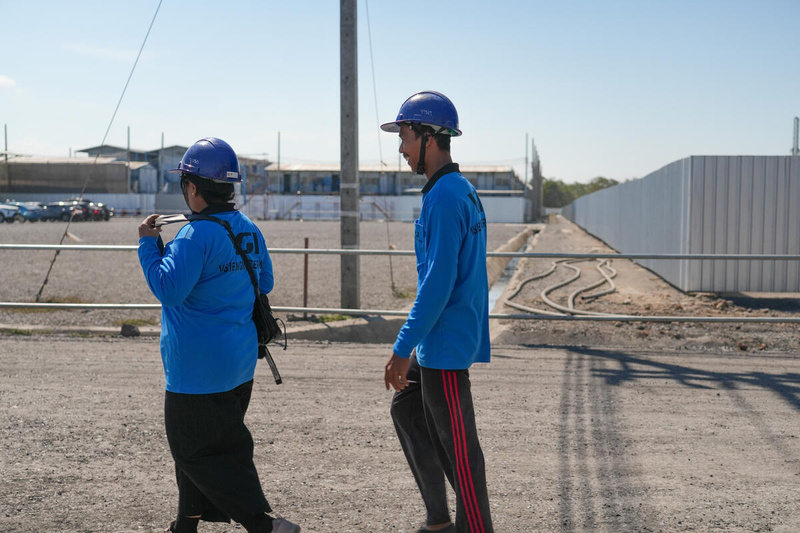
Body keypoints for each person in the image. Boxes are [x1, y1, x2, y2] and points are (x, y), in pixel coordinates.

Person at [137, 137, 301, 533]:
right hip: (240, 363)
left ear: (192, 188)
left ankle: (264, 525)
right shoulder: (248, 229)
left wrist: (148, 244)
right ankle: (185, 524)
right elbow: (264, 281)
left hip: (196, 370)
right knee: (215, 446)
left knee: (194, 452)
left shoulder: (194, 236)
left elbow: (168, 289)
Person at [382, 92, 494, 533]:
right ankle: (437, 519)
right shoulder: (453, 190)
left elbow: (438, 283)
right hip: (442, 338)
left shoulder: (447, 197)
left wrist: (402, 346)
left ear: (429, 137)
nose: (401, 148)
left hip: (444, 342)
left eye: (406, 136)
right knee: (407, 410)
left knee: (461, 452)